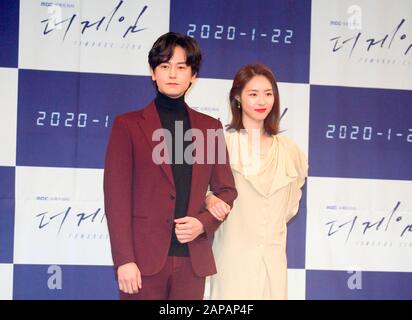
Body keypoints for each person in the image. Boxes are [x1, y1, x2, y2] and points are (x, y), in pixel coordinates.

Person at [103, 32, 237, 300]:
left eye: (181, 67)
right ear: (153, 73)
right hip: (142, 261)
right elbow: (116, 199)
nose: (172, 74)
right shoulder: (127, 125)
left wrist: (203, 223)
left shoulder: (209, 128)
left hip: (192, 261)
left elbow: (226, 191)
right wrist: (124, 260)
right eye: (164, 66)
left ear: (193, 75)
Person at [206, 63, 308, 299]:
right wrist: (210, 199)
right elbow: (200, 193)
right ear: (237, 98)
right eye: (253, 94)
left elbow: (289, 208)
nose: (262, 101)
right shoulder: (223, 144)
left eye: (268, 93)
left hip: (273, 262)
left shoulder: (290, 152)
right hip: (231, 259)